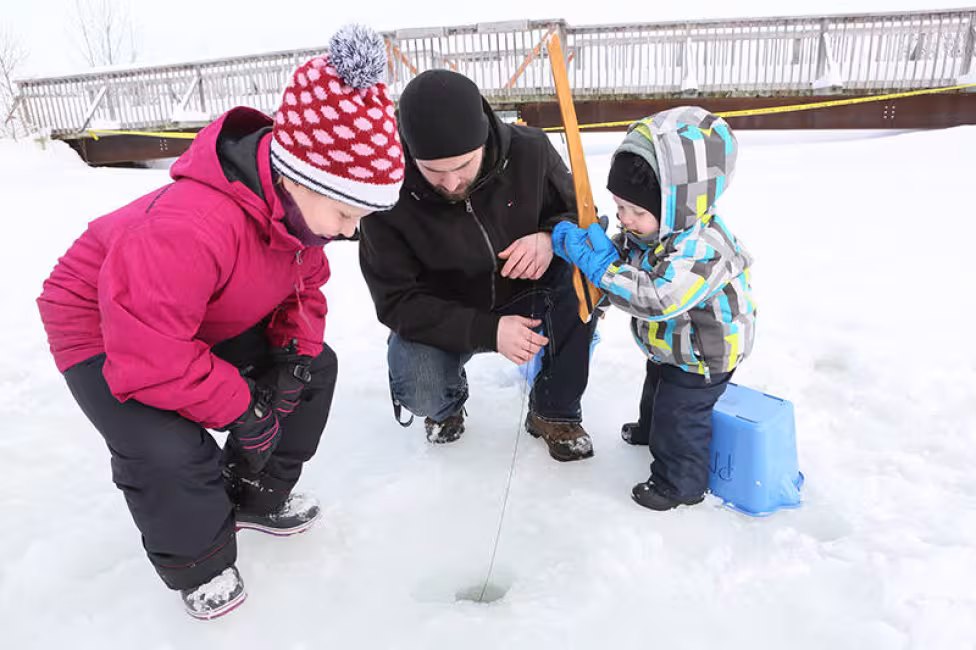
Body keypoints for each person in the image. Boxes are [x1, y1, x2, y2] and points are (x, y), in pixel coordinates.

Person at [36, 25, 405, 619]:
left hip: (194, 313)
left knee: (312, 370)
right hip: (105, 327)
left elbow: (302, 289)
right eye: (345, 211)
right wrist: (240, 407)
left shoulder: (298, 219)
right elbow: (151, 353)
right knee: (167, 447)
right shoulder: (189, 228)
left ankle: (254, 494)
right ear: (299, 177)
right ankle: (199, 562)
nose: (349, 229)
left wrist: (291, 356)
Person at [358, 69, 597, 462]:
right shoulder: (385, 190)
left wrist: (550, 237)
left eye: (463, 166)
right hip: (445, 312)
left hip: (527, 291)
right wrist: (486, 330)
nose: (451, 183)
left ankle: (554, 411)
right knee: (419, 379)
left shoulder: (531, 150)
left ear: (485, 136)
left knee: (580, 276)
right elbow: (396, 300)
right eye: (433, 171)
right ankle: (446, 405)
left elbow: (582, 216)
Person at [551, 106, 757, 510]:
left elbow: (656, 298)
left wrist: (603, 270)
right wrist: (599, 258)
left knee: (681, 416)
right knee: (657, 393)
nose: (624, 219)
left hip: (705, 354)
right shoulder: (654, 232)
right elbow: (629, 277)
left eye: (636, 212)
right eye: (619, 206)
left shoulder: (703, 247)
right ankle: (650, 429)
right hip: (672, 346)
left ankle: (680, 483)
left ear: (679, 204)